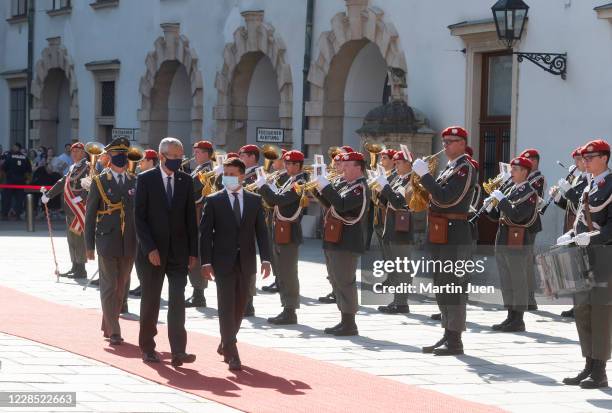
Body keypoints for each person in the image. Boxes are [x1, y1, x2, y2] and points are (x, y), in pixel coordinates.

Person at [200, 157, 271, 370]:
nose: (227, 178)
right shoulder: (213, 200)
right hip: (222, 261)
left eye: (232, 174)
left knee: (241, 306)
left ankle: (226, 340)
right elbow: (204, 235)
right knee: (225, 306)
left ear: (242, 175)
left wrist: (266, 259)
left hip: (246, 261)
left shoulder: (254, 200)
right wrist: (206, 262)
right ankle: (232, 351)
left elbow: (262, 233)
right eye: (225, 174)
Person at [413, 126, 476, 356]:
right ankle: (448, 333)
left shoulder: (465, 168)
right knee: (441, 283)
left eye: (450, 141)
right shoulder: (450, 167)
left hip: (455, 232)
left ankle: (456, 339)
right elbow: (435, 195)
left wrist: (425, 177)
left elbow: (449, 198)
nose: (445, 145)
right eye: (444, 141)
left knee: (453, 285)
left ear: (462, 143)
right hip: (440, 231)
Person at [135, 137, 198, 367]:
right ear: (161, 157)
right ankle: (148, 348)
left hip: (179, 253)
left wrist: (193, 251)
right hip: (152, 252)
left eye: (180, 157)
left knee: (177, 301)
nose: (178, 161)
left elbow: (191, 218)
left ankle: (178, 351)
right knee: (151, 301)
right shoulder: (145, 179)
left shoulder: (185, 180)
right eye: (174, 157)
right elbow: (139, 218)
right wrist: (149, 247)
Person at [559, 139, 612, 389]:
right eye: (584, 158)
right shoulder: (590, 184)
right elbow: (582, 217)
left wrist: (593, 236)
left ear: (604, 157)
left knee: (600, 313)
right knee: (583, 310)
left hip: (602, 255)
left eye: (590, 158)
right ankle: (588, 364)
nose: (585, 162)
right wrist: (572, 234)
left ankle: (600, 371)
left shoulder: (611, 184)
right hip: (583, 254)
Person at [83, 137, 137, 345]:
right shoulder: (99, 181)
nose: (122, 158)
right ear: (108, 157)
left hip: (129, 241)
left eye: (124, 154)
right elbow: (90, 216)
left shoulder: (134, 180)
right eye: (117, 154)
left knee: (121, 286)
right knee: (109, 286)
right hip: (107, 240)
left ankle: (108, 323)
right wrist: (89, 246)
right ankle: (115, 330)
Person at [315, 151, 371, 336]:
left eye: (347, 166)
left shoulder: (360, 187)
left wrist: (326, 187)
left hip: (347, 240)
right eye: (343, 165)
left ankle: (350, 323)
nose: (343, 169)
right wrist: (318, 189)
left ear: (359, 167)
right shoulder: (346, 184)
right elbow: (330, 204)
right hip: (335, 237)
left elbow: (342, 205)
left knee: (345, 281)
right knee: (336, 279)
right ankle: (343, 319)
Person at [486, 156, 539, 332]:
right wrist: (490, 207)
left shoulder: (530, 193)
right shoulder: (511, 189)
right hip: (503, 238)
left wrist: (502, 201)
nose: (512, 173)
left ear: (524, 172)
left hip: (517, 240)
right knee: (506, 280)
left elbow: (518, 216)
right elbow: (498, 216)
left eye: (515, 170)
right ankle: (510, 316)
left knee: (518, 280)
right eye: (512, 170)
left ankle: (518, 319)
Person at [256, 150, 307, 325]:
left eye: (290, 164)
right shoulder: (288, 180)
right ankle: (286, 308)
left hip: (290, 232)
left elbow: (280, 200)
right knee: (282, 274)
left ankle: (290, 311)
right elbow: (271, 202)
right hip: (279, 229)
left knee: (288, 273)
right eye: (286, 163)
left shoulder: (299, 182)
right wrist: (267, 186)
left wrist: (263, 186)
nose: (286, 167)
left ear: (298, 165)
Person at [41, 142, 89, 279]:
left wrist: (81, 198)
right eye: (73, 151)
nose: (74, 154)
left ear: (83, 153)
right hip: (70, 208)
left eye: (77, 151)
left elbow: (91, 183)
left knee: (79, 239)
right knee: (71, 239)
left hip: (79, 209)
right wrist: (48, 195)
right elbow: (63, 182)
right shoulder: (73, 167)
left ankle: (81, 268)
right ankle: (75, 266)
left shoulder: (87, 167)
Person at [375, 150, 414, 314]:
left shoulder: (412, 181)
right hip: (391, 226)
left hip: (402, 228)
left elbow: (400, 203)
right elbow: (385, 201)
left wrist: (386, 187)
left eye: (398, 163)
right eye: (395, 163)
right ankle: (397, 300)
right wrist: (380, 188)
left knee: (402, 267)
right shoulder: (398, 179)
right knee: (394, 266)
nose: (396, 166)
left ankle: (401, 302)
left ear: (407, 163)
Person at [553, 146, 589, 318]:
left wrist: (569, 191)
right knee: (574, 269)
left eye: (578, 160)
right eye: (575, 160)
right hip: (571, 227)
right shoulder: (579, 179)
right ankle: (577, 305)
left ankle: (583, 306)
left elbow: (582, 204)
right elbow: (570, 206)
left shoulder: (589, 179)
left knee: (583, 269)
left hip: (584, 230)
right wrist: (558, 197)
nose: (576, 164)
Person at [185, 140, 214, 308]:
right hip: (193, 215)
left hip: (198, 216)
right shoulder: (199, 169)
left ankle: (199, 294)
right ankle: (196, 292)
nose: (194, 155)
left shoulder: (207, 171)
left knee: (196, 254)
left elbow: (192, 188)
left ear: (206, 154)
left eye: (198, 152)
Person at [128, 149, 159, 298]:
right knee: (138, 258)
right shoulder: (139, 177)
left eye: (143, 160)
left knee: (144, 257)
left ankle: (147, 285)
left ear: (151, 161)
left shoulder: (155, 178)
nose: (139, 163)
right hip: (138, 223)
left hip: (149, 224)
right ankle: (143, 283)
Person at [261, 149, 289, 294]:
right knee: (272, 251)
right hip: (271, 216)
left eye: (275, 159)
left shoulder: (286, 178)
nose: (272, 163)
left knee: (279, 252)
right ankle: (278, 279)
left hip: (281, 218)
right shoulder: (275, 176)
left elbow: (276, 197)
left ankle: (282, 281)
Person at [238, 144, 261, 316]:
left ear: (253, 157)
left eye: (243, 155)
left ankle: (248, 301)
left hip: (249, 222)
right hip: (234, 220)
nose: (241, 157)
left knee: (248, 263)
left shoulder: (258, 174)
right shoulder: (239, 172)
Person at [1, 143, 31, 221]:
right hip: (21, 181)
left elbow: (3, 167)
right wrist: (27, 180)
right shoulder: (25, 157)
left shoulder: (10, 156)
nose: (12, 148)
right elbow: (29, 170)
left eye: (14, 147)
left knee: (7, 198)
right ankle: (18, 214)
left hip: (10, 181)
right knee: (19, 199)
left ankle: (5, 214)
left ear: (17, 148)